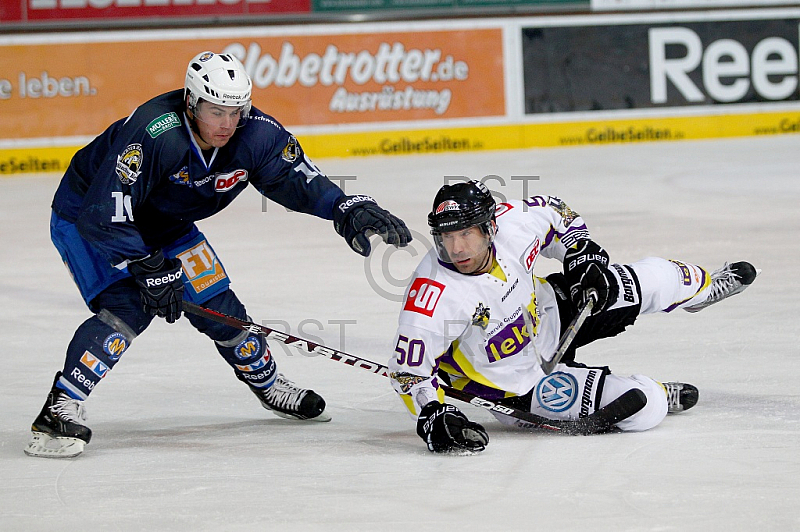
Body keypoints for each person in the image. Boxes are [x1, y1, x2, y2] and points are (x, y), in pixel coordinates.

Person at [26, 51, 412, 458]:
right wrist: (146, 266)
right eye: (216, 111)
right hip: (90, 220)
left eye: (235, 111)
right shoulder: (154, 131)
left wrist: (342, 207)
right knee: (130, 305)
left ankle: (268, 385)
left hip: (166, 225)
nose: (227, 124)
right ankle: (58, 409)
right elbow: (104, 210)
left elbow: (292, 177)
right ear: (191, 103)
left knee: (220, 305)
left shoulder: (257, 133)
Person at [388, 180, 757, 454]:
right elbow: (408, 372)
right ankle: (660, 390)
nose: (455, 248)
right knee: (646, 405)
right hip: (518, 384)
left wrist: (579, 252)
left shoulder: (513, 224)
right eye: (447, 236)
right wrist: (432, 414)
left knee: (661, 275)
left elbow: (556, 212)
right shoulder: (432, 298)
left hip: (552, 312)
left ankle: (703, 292)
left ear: (490, 226)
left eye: (466, 233)